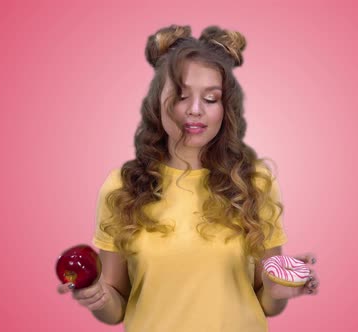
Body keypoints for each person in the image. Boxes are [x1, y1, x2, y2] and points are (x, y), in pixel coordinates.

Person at [57, 24, 320, 331]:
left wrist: (277, 293)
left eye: (210, 98)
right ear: (158, 102)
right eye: (181, 96)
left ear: (225, 108)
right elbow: (115, 308)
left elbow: (267, 300)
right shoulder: (123, 187)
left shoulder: (255, 183)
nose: (195, 110)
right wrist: (98, 297)